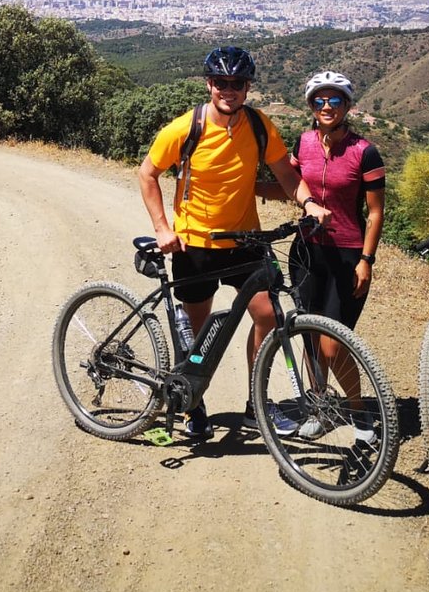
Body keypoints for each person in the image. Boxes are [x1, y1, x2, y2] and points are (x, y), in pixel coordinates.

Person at [138, 46, 331, 440]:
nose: (229, 90)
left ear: (248, 88)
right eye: (221, 82)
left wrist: (309, 202)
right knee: (199, 333)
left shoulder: (260, 126)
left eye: (238, 83)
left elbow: (285, 176)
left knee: (267, 316)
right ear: (209, 84)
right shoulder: (183, 129)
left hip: (245, 241)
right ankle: (194, 405)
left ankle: (255, 404)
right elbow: (147, 174)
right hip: (195, 245)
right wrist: (162, 227)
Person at [275, 70, 386, 440]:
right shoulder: (303, 142)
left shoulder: (364, 152)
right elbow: (290, 183)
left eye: (334, 99)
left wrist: (366, 261)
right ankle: (320, 406)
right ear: (310, 105)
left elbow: (375, 213)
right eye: (319, 100)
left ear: (347, 106)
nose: (326, 106)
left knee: (333, 342)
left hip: (347, 254)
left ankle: (358, 412)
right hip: (307, 252)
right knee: (309, 337)